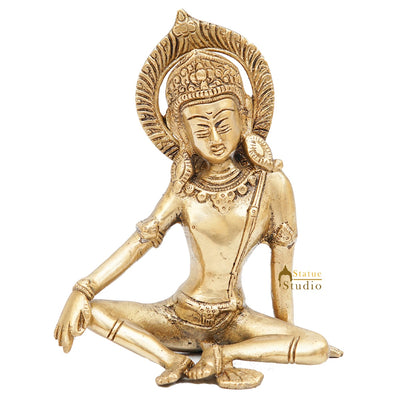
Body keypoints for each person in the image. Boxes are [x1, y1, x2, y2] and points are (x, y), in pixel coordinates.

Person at [55, 50, 342, 389]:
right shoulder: (184, 189)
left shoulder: (272, 184)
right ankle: (171, 359)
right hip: (178, 315)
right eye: (201, 129)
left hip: (235, 319)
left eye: (223, 124)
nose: (216, 139)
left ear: (245, 116)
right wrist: (83, 289)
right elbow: (139, 243)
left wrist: (288, 335)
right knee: (91, 311)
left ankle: (221, 355)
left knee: (316, 347)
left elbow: (283, 270)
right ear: (182, 131)